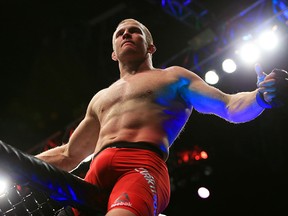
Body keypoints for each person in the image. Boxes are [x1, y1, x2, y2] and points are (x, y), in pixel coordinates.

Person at [35, 18, 288, 216]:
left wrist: (260, 97)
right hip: (94, 177)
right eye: (119, 33)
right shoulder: (100, 97)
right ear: (113, 53)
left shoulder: (173, 77)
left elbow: (229, 106)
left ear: (150, 46)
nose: (126, 34)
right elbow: (69, 155)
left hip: (140, 168)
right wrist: (14, 163)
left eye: (134, 31)